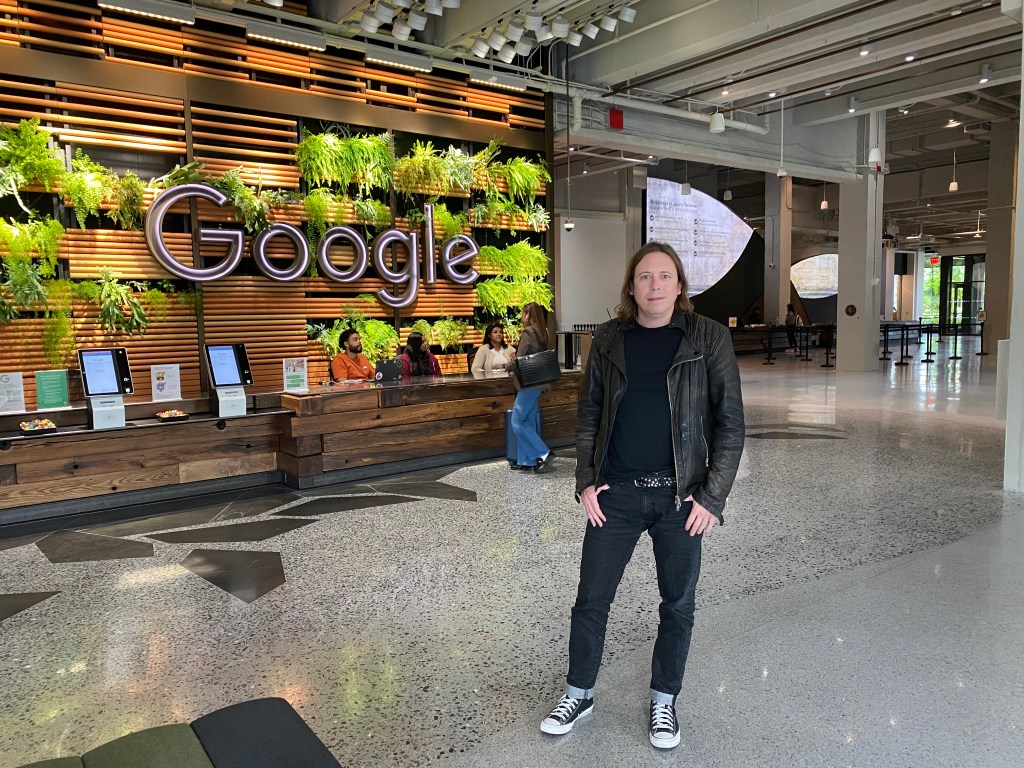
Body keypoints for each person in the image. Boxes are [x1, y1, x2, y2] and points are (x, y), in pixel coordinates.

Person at [540, 242, 745, 749]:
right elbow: (589, 414)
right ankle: (579, 693)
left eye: (665, 276)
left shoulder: (709, 338)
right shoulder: (609, 338)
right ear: (631, 287)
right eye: (645, 277)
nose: (655, 285)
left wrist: (712, 498)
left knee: (677, 604)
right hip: (618, 494)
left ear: (679, 286)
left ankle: (664, 700)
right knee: (591, 600)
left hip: (681, 499)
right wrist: (586, 481)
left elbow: (731, 423)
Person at [508, 302, 554, 472]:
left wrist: (508, 364)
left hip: (527, 384)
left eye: (522, 314)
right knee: (528, 421)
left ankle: (542, 451)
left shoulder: (528, 332)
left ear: (528, 315)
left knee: (517, 421)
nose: (521, 317)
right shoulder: (543, 332)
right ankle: (528, 461)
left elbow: (519, 359)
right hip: (538, 383)